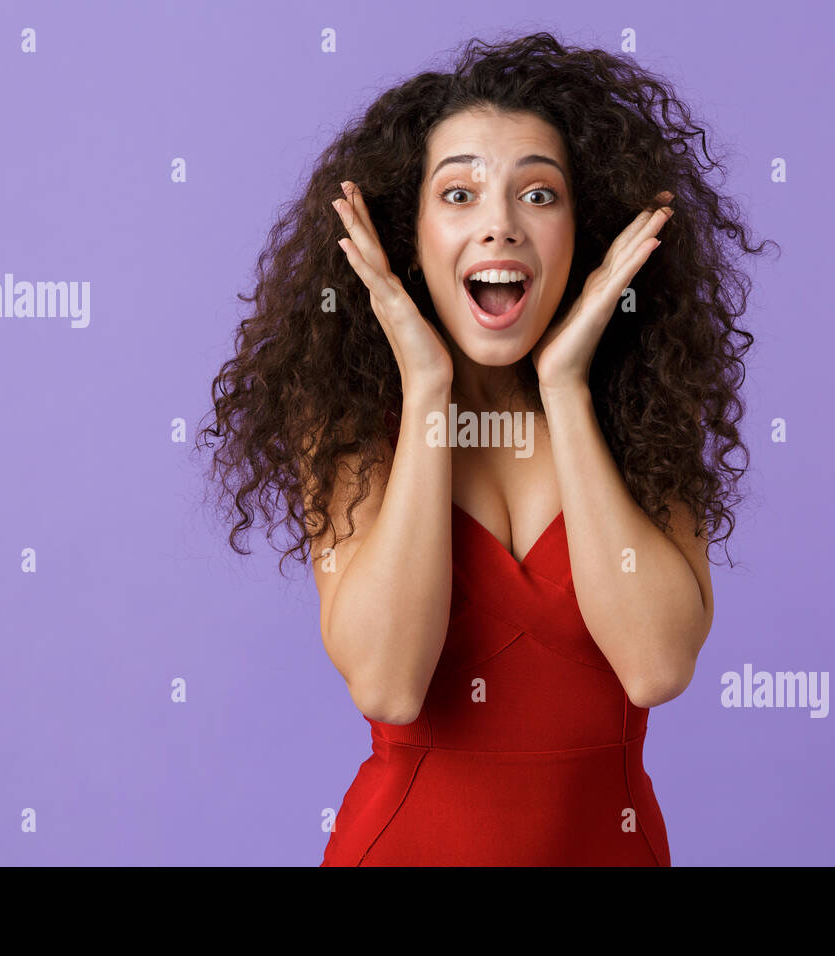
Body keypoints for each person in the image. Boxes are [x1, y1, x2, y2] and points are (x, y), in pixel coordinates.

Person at [200, 32, 773, 865]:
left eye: (538, 195)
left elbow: (654, 667)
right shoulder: (353, 427)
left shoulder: (647, 420)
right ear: (410, 232)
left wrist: (567, 389)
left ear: (588, 228)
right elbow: (391, 686)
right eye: (459, 194)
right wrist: (427, 394)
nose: (500, 225)